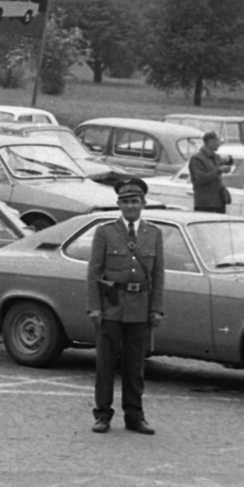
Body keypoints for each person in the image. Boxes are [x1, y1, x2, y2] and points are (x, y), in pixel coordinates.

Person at [85, 176, 165, 434]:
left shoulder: (153, 234)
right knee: (105, 365)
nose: (130, 207)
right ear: (119, 205)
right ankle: (103, 415)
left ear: (143, 203)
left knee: (135, 366)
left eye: (135, 201)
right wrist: (94, 307)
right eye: (125, 202)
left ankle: (134, 416)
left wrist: (156, 308)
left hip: (140, 308)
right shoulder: (105, 232)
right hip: (111, 306)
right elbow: (94, 272)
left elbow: (158, 275)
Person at [189, 130, 232, 212]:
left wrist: (228, 162)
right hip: (205, 203)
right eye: (218, 141)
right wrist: (219, 170)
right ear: (210, 142)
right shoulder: (197, 159)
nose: (220, 144)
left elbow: (226, 161)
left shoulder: (216, 157)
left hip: (219, 201)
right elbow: (201, 178)